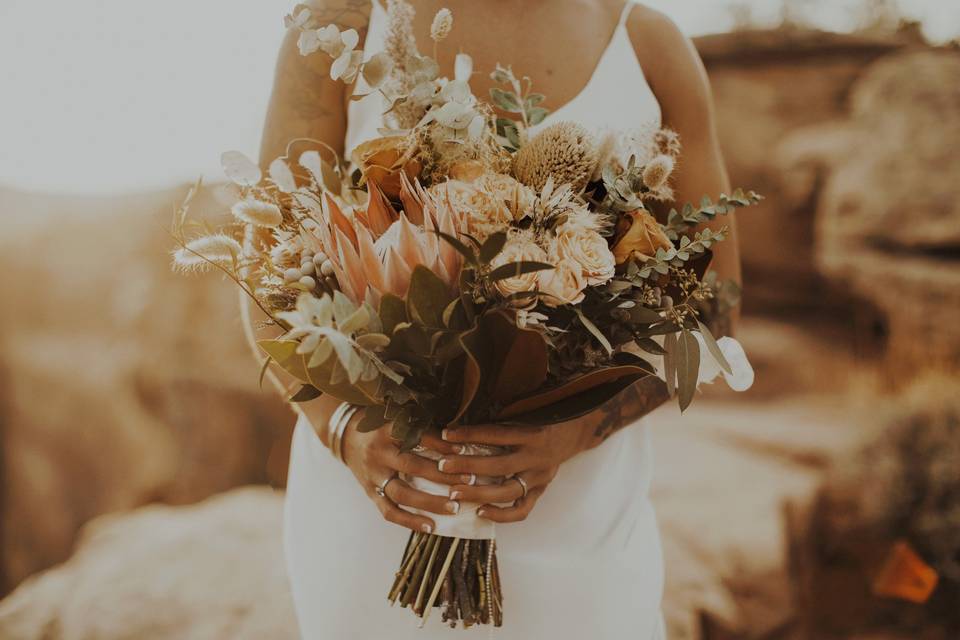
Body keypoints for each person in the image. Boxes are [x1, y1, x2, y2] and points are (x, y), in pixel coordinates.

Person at [256, 0, 741, 637]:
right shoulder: (339, 26)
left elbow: (718, 303)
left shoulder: (649, 45)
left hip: (577, 512)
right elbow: (268, 271)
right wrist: (339, 425)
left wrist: (583, 428)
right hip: (383, 498)